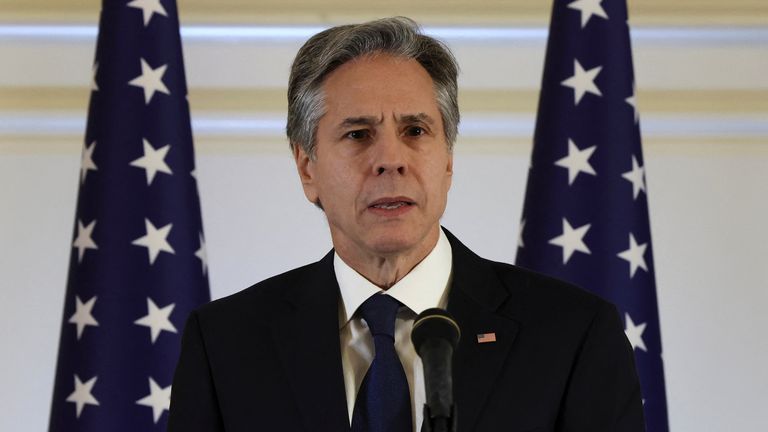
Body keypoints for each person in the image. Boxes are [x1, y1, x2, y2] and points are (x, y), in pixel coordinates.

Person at [168, 17, 645, 432]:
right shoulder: (226, 345)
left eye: (415, 131)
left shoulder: (573, 335)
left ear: (448, 160)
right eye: (358, 134)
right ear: (307, 168)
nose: (390, 160)